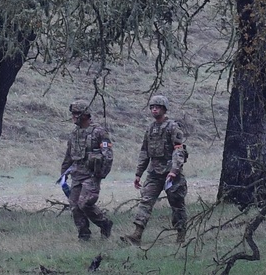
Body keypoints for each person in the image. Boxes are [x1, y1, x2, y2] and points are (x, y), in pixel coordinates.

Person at [121, 94, 188, 245]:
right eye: (152, 107)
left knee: (177, 204)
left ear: (164, 109)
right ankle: (136, 235)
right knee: (145, 201)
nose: (154, 110)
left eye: (157, 107)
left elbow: (179, 150)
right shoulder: (150, 129)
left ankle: (181, 236)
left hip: (171, 174)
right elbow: (144, 152)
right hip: (154, 173)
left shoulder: (173, 127)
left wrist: (174, 171)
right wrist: (138, 173)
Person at [59, 99, 114, 241]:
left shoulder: (99, 132)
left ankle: (104, 223)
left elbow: (108, 155)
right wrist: (63, 174)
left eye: (76, 113)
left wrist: (101, 174)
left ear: (84, 114)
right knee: (74, 206)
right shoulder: (74, 134)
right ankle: (84, 235)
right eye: (72, 113)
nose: (73, 116)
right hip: (77, 175)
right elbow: (69, 156)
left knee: (85, 203)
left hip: (92, 175)